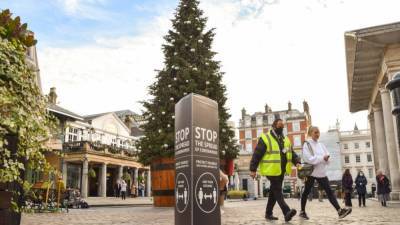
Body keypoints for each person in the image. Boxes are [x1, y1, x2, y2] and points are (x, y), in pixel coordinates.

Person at [250, 119, 300, 222]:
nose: (281, 128)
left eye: (283, 126)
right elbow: (257, 154)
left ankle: (268, 213)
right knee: (277, 190)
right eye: (280, 126)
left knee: (273, 192)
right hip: (271, 170)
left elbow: (292, 152)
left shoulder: (285, 139)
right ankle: (286, 212)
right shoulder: (265, 138)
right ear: (274, 126)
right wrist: (253, 169)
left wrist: (297, 162)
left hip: (281, 170)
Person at [299, 126, 352, 220]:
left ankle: (340, 211)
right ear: (310, 133)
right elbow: (309, 159)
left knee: (329, 192)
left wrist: (326, 159)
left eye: (318, 132)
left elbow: (327, 157)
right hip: (310, 173)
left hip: (321, 172)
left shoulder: (321, 145)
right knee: (306, 192)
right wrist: (322, 158)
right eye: (315, 132)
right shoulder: (306, 144)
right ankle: (302, 211)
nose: (317, 134)